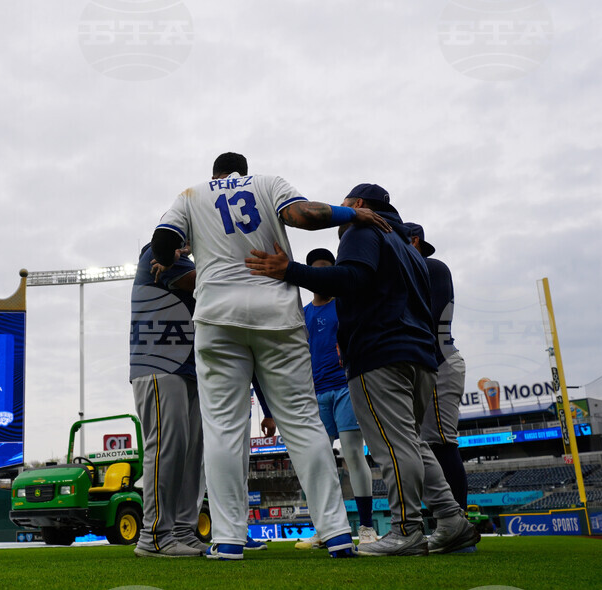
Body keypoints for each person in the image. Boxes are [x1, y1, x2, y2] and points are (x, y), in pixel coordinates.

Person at [151, 152, 388, 561]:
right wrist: (353, 214)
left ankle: (228, 539)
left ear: (215, 174)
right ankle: (336, 533)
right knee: (303, 422)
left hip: (217, 316)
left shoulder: (191, 194)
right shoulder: (267, 182)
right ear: (243, 171)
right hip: (276, 312)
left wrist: (181, 254)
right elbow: (304, 215)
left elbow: (163, 244)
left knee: (223, 428)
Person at [245, 183, 479, 556]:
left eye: (344, 204)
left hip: (380, 353)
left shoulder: (362, 229)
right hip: (419, 356)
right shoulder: (407, 247)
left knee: (394, 446)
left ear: (357, 204)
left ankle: (406, 529)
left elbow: (350, 278)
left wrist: (289, 270)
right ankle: (452, 520)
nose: (341, 211)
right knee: (413, 443)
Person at [295, 247, 379, 548]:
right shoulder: (302, 313)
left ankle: (367, 527)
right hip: (316, 394)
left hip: (345, 388)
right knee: (318, 460)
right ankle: (326, 528)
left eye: (326, 268)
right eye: (316, 269)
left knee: (353, 453)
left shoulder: (346, 305)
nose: (322, 275)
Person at [130, 242, 207, 557]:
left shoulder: (184, 259)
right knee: (167, 449)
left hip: (187, 365)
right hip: (158, 363)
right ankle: (154, 536)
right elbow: (201, 281)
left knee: (190, 454)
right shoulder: (157, 251)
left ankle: (182, 531)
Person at [404, 224, 472, 525]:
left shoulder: (431, 266)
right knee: (424, 445)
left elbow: (433, 320)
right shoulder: (407, 272)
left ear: (414, 240)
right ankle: (448, 522)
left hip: (439, 360)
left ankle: (458, 522)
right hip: (425, 362)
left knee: (440, 443)